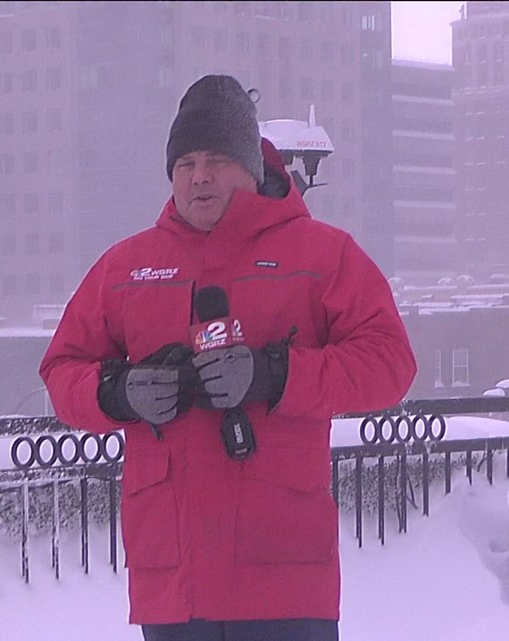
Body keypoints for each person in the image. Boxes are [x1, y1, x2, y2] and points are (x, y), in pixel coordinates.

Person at [39, 74, 416, 641]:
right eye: (186, 162)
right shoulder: (126, 268)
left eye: (216, 158)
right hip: (174, 583)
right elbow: (62, 369)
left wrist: (277, 374)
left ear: (252, 166)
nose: (201, 176)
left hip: (284, 578)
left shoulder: (323, 256)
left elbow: (390, 363)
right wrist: (118, 391)